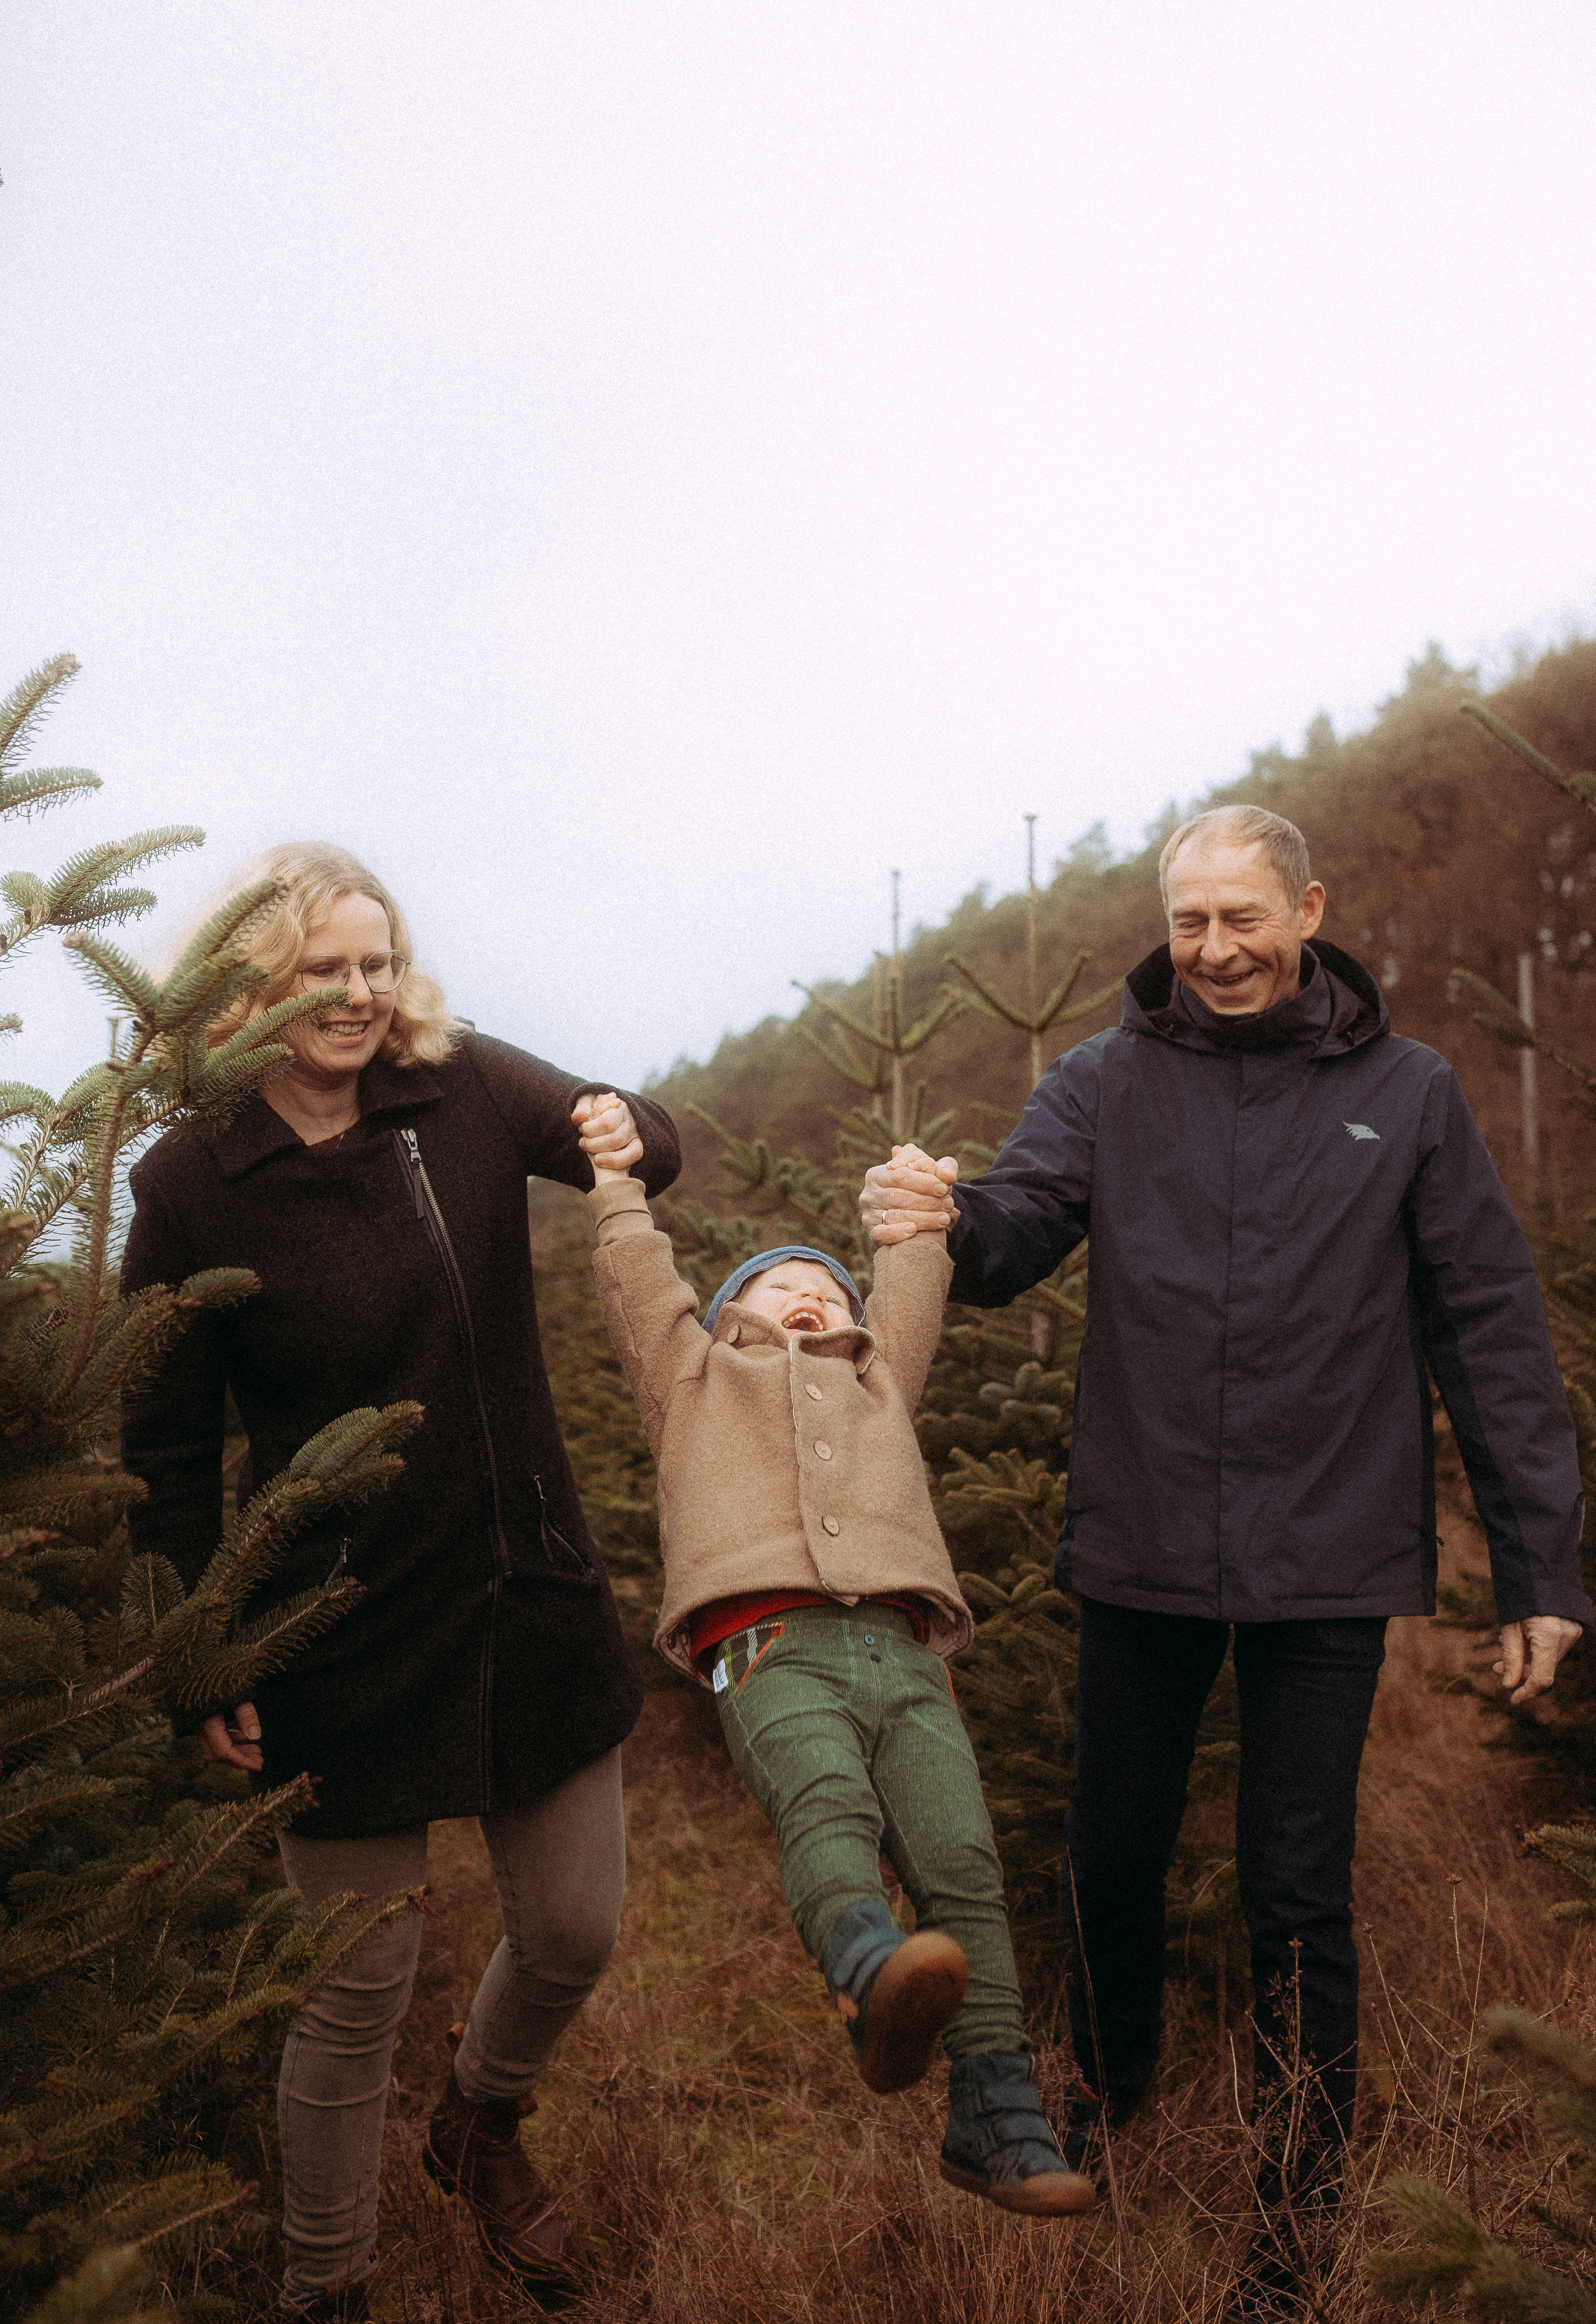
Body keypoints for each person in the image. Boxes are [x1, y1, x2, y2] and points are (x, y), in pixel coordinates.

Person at [858, 804, 1590, 2313]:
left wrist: (1539, 1574)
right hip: (1139, 1544)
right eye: (1187, 923)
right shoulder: (1105, 1080)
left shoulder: (1409, 1091)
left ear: (1306, 908)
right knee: (1110, 1853)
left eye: (1241, 919)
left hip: (1325, 1553)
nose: (1213, 951)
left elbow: (1489, 1336)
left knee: (1293, 1888)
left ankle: (1293, 2209)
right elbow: (1012, 1232)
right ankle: (1111, 2094)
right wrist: (939, 1214)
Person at [120, 843, 681, 2321]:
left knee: (571, 1930)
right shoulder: (189, 1179)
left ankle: (480, 2116)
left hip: (522, 1585)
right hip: (333, 1634)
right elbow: (166, 1446)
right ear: (250, 988)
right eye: (322, 970)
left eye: (377, 963)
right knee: (351, 1999)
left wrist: (632, 1124)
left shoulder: (466, 1087)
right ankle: (329, 2288)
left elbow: (639, 1143)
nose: (359, 994)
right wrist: (203, 1655)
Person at [578, 1107, 1095, 2217]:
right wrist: (617, 1181)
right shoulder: (693, 1383)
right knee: (826, 1804)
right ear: (724, 1320)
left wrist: (915, 1200)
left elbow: (911, 1277)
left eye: (830, 1284)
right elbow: (635, 1279)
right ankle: (869, 1968)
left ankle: (999, 2117)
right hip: (770, 1647)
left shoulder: (877, 1382)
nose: (811, 1288)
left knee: (966, 1867)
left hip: (906, 1655)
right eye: (777, 1284)